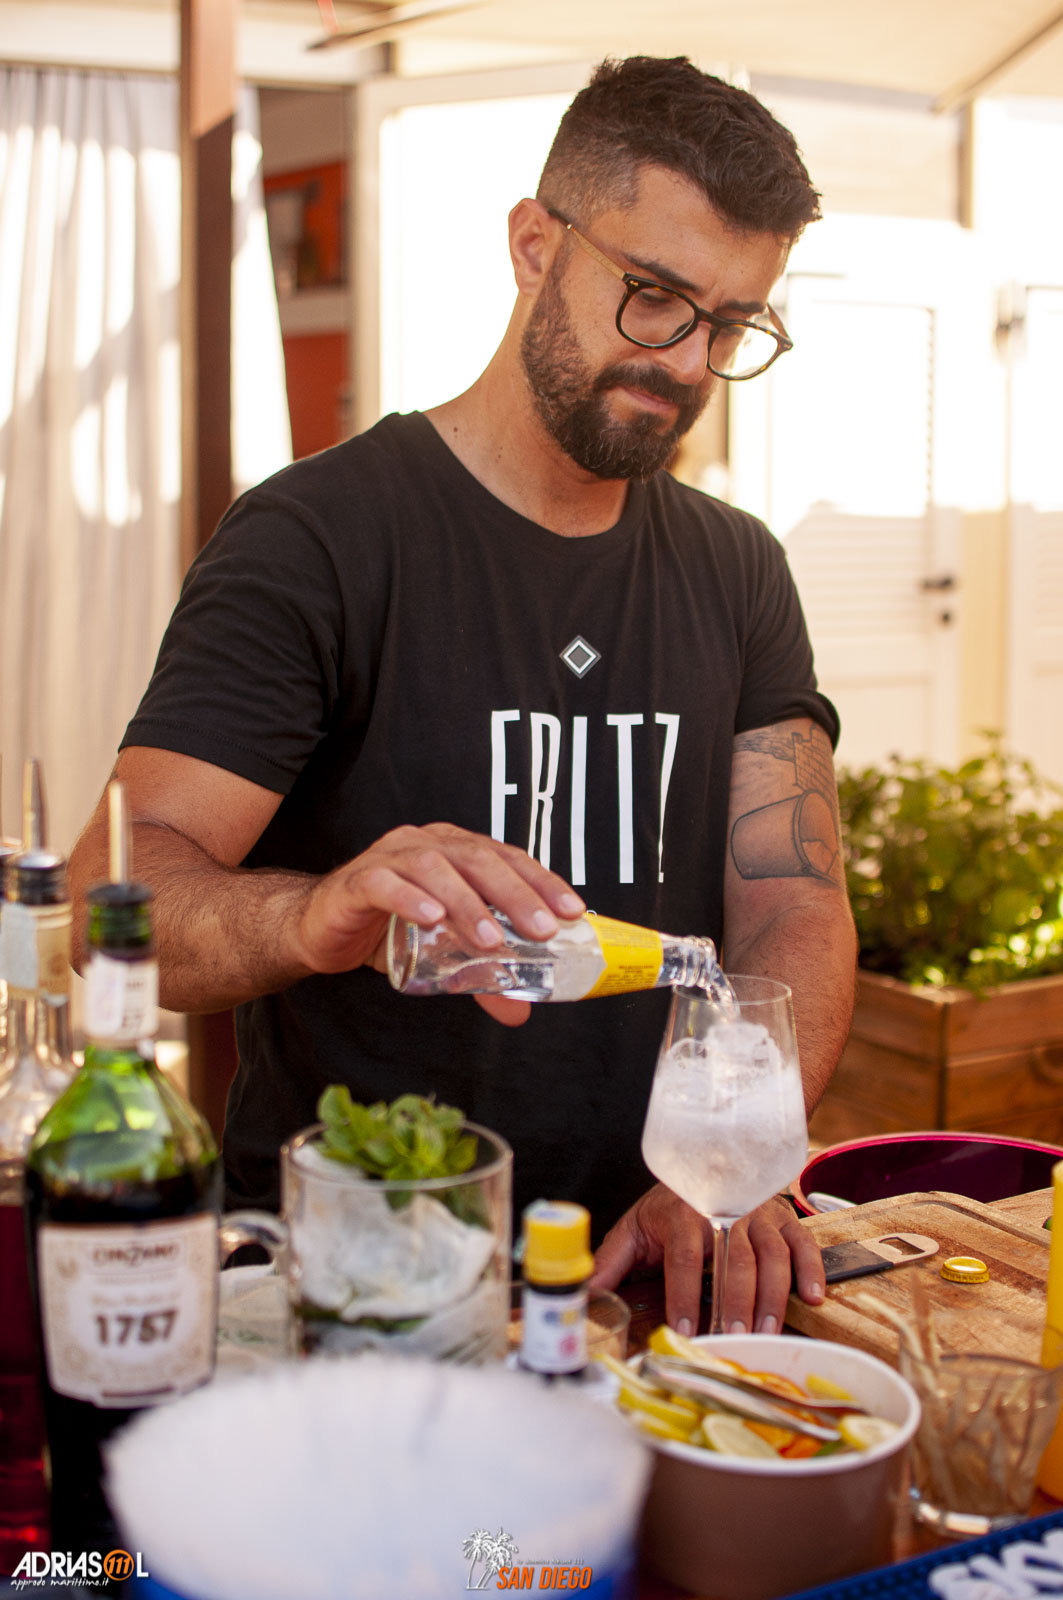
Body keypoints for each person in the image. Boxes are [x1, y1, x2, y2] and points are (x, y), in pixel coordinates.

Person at [69, 56, 857, 1340]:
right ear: (534, 244)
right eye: (655, 298)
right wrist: (314, 912)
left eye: (729, 326)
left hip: (638, 1272)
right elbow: (116, 898)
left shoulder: (738, 569)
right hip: (354, 1277)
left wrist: (738, 1156)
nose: (685, 362)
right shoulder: (319, 538)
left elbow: (792, 905)